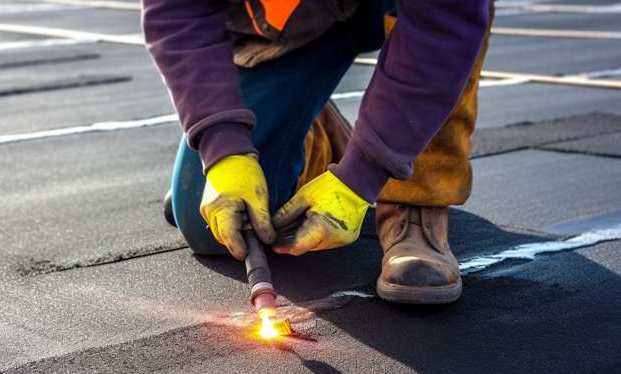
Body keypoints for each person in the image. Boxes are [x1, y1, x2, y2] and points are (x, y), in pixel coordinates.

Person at [143, 0, 492, 304]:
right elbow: (177, 12)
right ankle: (318, 137)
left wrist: (363, 175)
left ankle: (416, 197)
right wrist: (223, 151)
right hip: (300, 24)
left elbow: (446, 22)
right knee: (210, 228)